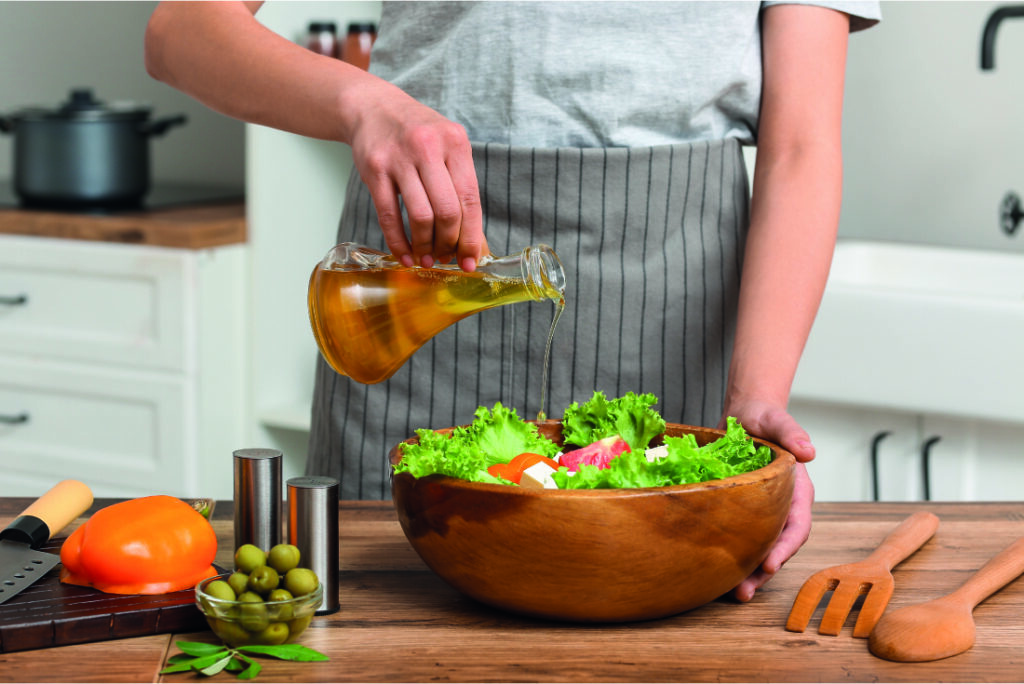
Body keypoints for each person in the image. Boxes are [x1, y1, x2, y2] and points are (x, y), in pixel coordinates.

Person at [145, 0, 880, 602]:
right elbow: (180, 29)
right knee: (372, 621)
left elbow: (801, 147)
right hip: (416, 278)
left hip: (669, 298)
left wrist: (757, 401)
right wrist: (361, 101)